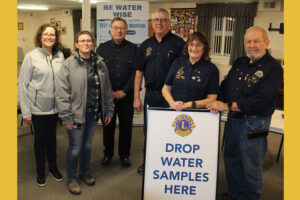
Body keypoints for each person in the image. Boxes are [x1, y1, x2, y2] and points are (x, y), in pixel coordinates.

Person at [206, 26, 283, 200]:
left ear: (267, 42)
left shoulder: (273, 68)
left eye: (257, 40)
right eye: (248, 41)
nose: (252, 45)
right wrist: (215, 100)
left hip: (254, 124)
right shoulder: (240, 62)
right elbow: (226, 85)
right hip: (234, 120)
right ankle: (235, 194)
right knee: (232, 160)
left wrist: (225, 105)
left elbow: (260, 100)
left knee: (250, 166)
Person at [55, 31, 114, 195]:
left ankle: (85, 172)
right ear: (76, 44)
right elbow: (62, 93)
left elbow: (107, 89)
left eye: (89, 40)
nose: (86, 43)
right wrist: (66, 117)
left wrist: (108, 109)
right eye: (82, 41)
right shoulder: (69, 64)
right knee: (75, 148)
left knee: (87, 146)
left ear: (93, 43)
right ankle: (72, 178)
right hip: (75, 115)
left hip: (93, 113)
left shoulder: (100, 63)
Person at [133, 8, 185, 174]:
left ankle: (168, 164)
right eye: (156, 20)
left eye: (163, 20)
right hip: (151, 95)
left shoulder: (179, 44)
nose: (160, 23)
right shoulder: (146, 45)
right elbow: (139, 72)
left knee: (171, 131)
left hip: (171, 97)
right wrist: (136, 97)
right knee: (150, 131)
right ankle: (148, 162)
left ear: (169, 23)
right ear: (152, 23)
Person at [18, 24, 64, 187]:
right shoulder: (31, 57)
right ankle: (40, 170)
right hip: (37, 108)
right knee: (40, 140)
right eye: (46, 34)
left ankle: (53, 167)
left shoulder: (60, 56)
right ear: (40, 37)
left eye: (52, 34)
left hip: (55, 108)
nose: (49, 37)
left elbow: (62, 82)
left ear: (56, 38)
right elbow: (22, 85)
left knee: (52, 139)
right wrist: (26, 112)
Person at [96, 17, 138, 167]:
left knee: (126, 127)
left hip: (127, 96)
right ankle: (108, 154)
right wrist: (110, 92)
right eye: (116, 28)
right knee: (108, 126)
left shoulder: (134, 49)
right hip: (108, 97)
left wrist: (124, 91)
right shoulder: (102, 49)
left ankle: (124, 155)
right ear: (110, 30)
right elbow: (99, 72)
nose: (119, 31)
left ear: (126, 30)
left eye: (122, 28)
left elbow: (136, 73)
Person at [162, 32, 219, 111]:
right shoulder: (177, 63)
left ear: (204, 48)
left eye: (199, 45)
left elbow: (212, 99)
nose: (194, 48)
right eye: (191, 44)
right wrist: (172, 103)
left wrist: (189, 104)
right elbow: (166, 89)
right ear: (187, 46)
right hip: (175, 110)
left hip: (197, 113)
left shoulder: (211, 69)